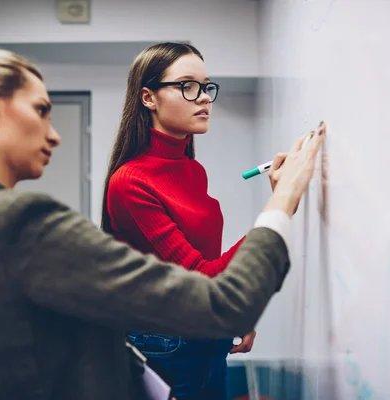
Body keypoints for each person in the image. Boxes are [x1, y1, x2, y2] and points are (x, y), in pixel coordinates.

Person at [0, 47, 324, 400]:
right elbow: (220, 301)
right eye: (41, 110)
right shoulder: (20, 222)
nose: (55, 135)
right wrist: (283, 198)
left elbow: (80, 324)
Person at [100, 42, 307, 399]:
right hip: (167, 346)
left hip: (208, 334)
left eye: (206, 86)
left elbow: (208, 264)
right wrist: (280, 205)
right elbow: (203, 279)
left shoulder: (192, 170)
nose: (204, 98)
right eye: (187, 86)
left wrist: (236, 312)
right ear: (148, 98)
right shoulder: (130, 183)